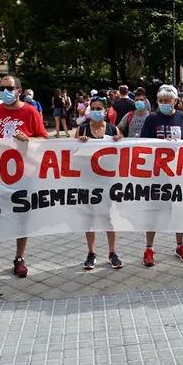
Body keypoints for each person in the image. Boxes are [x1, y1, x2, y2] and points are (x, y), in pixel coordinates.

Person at [0, 76, 49, 285]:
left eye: (9, 88)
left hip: (24, 174)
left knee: (22, 218)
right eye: (1, 88)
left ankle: (19, 258)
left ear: (19, 90)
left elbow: (44, 140)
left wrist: (29, 139)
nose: (5, 91)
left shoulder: (30, 112)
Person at [139, 85, 183, 266]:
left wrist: (181, 143)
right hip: (157, 174)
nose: (164, 103)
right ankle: (149, 248)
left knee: (178, 210)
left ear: (175, 101)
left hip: (179, 173)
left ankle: (180, 246)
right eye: (161, 101)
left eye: (167, 100)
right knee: (154, 211)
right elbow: (142, 143)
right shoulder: (151, 119)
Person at [75, 97, 124, 270]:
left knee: (109, 217)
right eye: (93, 108)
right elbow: (71, 154)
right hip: (88, 180)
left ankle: (112, 252)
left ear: (105, 110)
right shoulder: (82, 129)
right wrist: (79, 144)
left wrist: (119, 140)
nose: (96, 111)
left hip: (108, 180)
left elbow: (123, 153)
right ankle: (91, 252)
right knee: (89, 217)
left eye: (99, 108)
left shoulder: (112, 129)